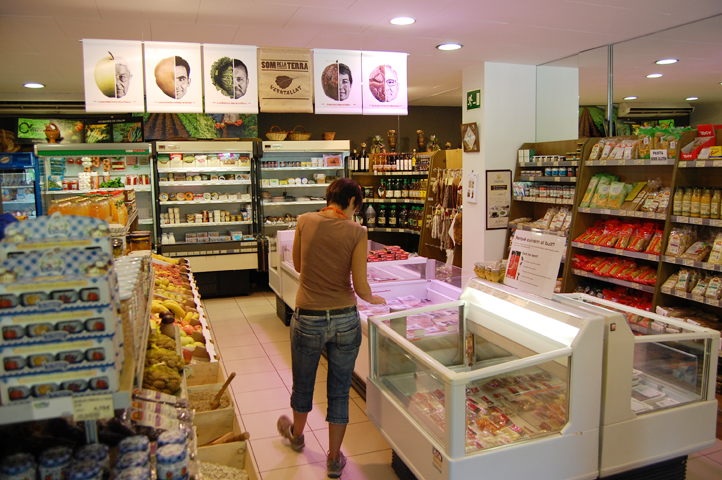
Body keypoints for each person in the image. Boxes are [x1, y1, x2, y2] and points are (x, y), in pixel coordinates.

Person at [277, 178, 385, 478]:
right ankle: (334, 459)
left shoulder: (304, 221)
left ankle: (297, 437)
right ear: (352, 203)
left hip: (308, 316)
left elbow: (298, 265)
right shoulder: (357, 231)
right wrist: (376, 299)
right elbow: (362, 288)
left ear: (330, 197)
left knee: (303, 384)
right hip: (344, 320)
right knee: (339, 392)